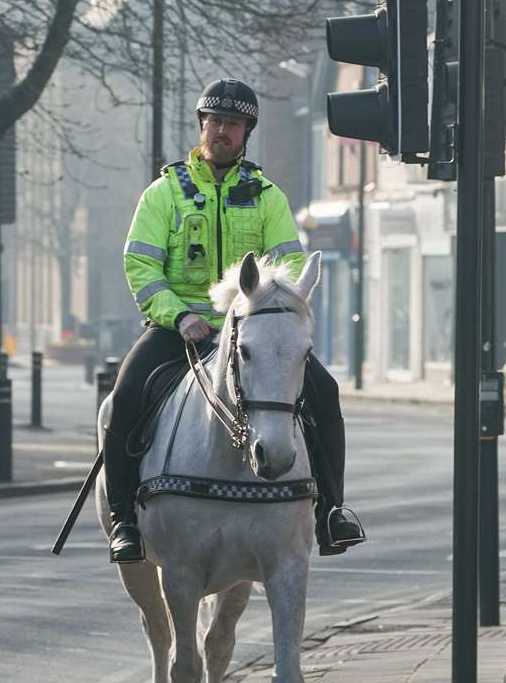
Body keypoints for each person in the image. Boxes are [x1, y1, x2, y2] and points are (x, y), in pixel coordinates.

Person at [103, 78, 366, 564]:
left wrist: (271, 317)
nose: (222, 131)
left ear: (247, 132)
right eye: (214, 122)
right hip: (180, 329)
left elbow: (288, 269)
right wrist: (179, 316)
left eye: (233, 124)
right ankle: (124, 519)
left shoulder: (269, 198)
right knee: (125, 398)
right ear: (202, 126)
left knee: (324, 394)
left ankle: (332, 511)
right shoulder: (164, 194)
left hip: (254, 332)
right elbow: (140, 265)